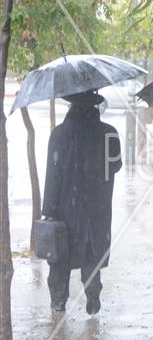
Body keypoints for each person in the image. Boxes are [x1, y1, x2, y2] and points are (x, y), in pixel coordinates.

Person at [42, 90, 122, 314]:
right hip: (98, 206)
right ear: (96, 107)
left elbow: (53, 174)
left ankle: (58, 300)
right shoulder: (109, 133)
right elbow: (115, 166)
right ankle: (93, 293)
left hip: (66, 206)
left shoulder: (59, 134)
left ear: (71, 107)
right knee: (91, 251)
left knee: (61, 255)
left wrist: (48, 210)